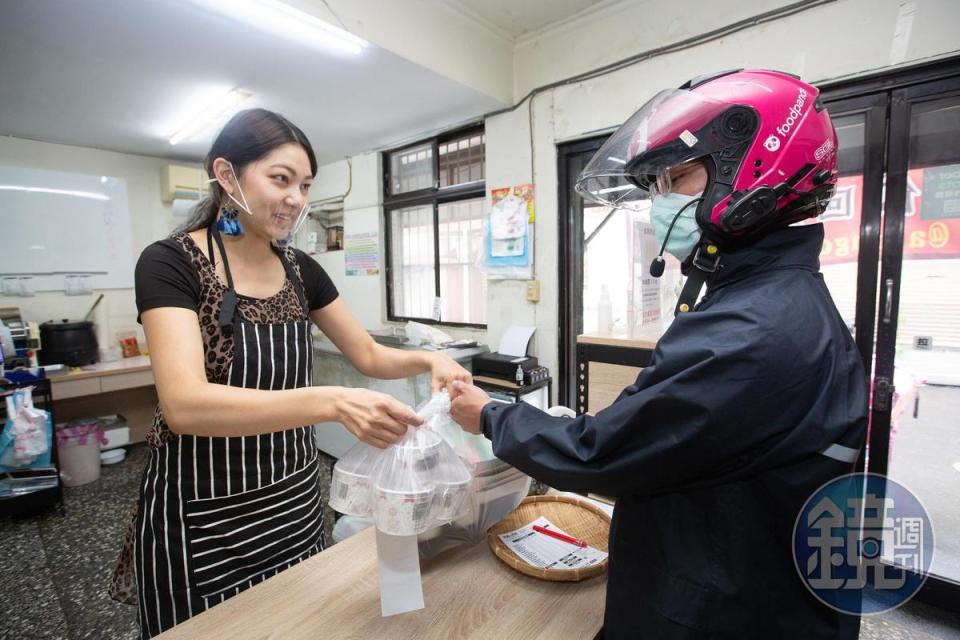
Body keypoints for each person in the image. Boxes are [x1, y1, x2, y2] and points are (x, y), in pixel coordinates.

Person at [449, 70, 868, 639]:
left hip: (727, 610)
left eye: (676, 178)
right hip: (734, 574)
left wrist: (489, 413)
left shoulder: (752, 332)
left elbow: (599, 455)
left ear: (750, 173)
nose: (659, 203)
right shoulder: (766, 299)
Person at [114, 108, 471, 638]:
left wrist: (431, 359)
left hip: (292, 498)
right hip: (204, 508)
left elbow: (369, 355)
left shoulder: (301, 270)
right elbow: (184, 406)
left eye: (304, 185)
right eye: (280, 179)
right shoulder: (171, 263)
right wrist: (331, 402)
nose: (296, 199)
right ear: (227, 174)